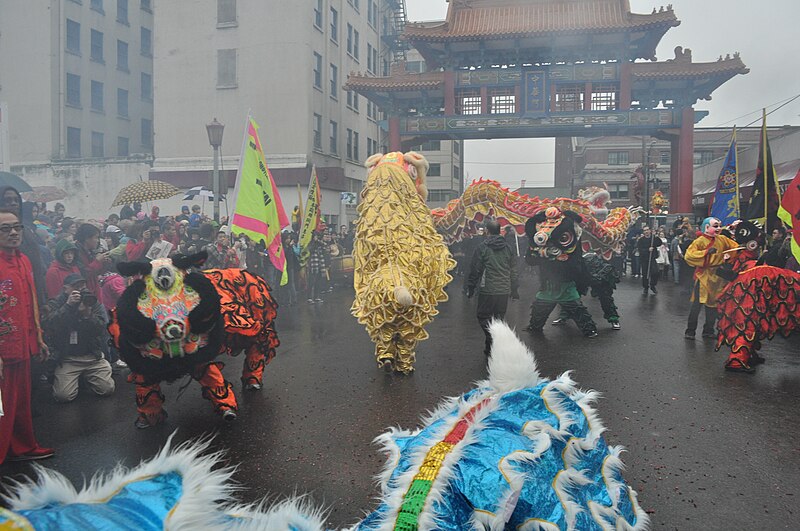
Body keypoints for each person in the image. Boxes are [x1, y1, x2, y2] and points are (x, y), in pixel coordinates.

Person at [0, 208, 54, 463]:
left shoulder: (24, 260)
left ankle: (22, 446)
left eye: (16, 227)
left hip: (22, 344)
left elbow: (31, 302)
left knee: (20, 401)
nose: (12, 233)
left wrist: (39, 337)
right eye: (5, 229)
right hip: (2, 349)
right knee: (0, 407)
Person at [43, 274, 115, 402]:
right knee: (63, 396)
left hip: (92, 355)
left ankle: (87, 377)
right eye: (76, 286)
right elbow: (49, 325)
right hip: (68, 358)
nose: (80, 289)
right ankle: (70, 378)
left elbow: (102, 329)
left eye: (82, 285)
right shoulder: (56, 303)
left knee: (107, 389)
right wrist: (68, 306)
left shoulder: (92, 301)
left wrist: (87, 314)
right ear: (65, 289)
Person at [465, 220, 519, 356]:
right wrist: (514, 289)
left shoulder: (482, 247)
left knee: (483, 316)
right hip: (504, 289)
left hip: (487, 289)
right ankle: (491, 348)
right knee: (498, 318)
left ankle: (492, 338)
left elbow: (475, 269)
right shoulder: (508, 248)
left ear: (487, 231)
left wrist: (470, 287)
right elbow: (514, 270)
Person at [683, 217, 739, 340]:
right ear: (707, 227)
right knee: (697, 305)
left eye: (719, 226)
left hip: (718, 276)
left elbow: (735, 249)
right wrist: (705, 253)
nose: (718, 228)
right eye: (715, 226)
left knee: (713, 306)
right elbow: (689, 255)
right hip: (704, 276)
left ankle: (708, 330)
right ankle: (690, 331)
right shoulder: (699, 241)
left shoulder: (723, 239)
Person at [1, 187, 47, 306]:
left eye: (16, 200)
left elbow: (37, 266)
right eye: (8, 200)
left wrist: (42, 300)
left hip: (30, 292)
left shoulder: (25, 230)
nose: (13, 203)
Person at [74, 223, 110, 295]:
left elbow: (98, 272)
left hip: (94, 290)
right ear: (87, 238)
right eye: (96, 237)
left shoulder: (90, 251)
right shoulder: (76, 253)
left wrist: (104, 262)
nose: (97, 241)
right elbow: (84, 274)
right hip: (84, 293)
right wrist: (97, 261)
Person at [636, 225, 662, 295]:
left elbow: (659, 243)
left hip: (652, 258)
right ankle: (646, 287)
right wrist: (647, 250)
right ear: (643, 232)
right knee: (645, 274)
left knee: (655, 272)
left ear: (650, 230)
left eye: (647, 230)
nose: (646, 231)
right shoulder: (641, 240)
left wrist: (656, 236)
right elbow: (640, 249)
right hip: (644, 259)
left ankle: (653, 285)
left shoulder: (653, 238)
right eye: (645, 230)